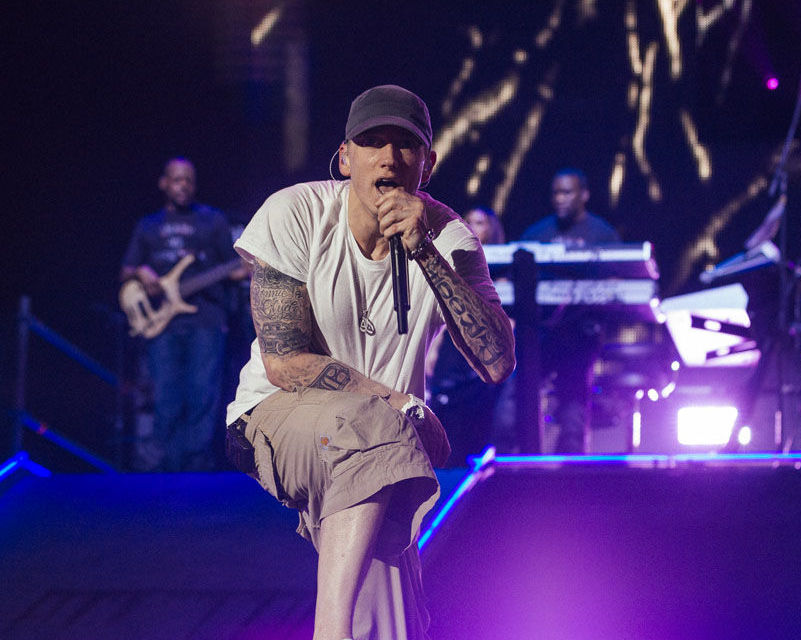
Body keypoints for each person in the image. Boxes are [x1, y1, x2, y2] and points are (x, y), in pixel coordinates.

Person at [225, 85, 515, 640]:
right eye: (372, 142)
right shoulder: (296, 213)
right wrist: (395, 400)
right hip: (274, 415)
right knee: (373, 425)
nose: (388, 158)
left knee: (393, 623)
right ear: (344, 157)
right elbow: (284, 363)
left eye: (405, 145)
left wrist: (426, 251)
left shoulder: (451, 237)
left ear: (426, 164)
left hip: (382, 448)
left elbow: (497, 361)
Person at [119, 158, 243, 472]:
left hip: (206, 319)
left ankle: (197, 466)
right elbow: (126, 272)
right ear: (164, 183)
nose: (183, 185)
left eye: (188, 180)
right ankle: (169, 466)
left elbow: (234, 266)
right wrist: (142, 273)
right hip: (162, 321)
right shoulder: (148, 225)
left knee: (203, 392)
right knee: (166, 395)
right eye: (176, 180)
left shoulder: (212, 220)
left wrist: (250, 270)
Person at [520, 169, 621, 453]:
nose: (560, 199)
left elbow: (617, 284)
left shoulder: (603, 234)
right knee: (515, 403)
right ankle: (516, 471)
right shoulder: (536, 233)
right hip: (537, 336)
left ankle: (570, 481)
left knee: (574, 410)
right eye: (556, 193)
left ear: (584, 195)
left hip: (580, 336)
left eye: (567, 192)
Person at [425, 207, 510, 464]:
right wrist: (432, 348)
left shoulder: (502, 270)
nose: (473, 227)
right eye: (469, 221)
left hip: (484, 350)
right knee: (449, 412)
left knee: (480, 414)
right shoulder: (454, 262)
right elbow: (442, 308)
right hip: (454, 345)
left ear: (492, 228)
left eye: (480, 223)